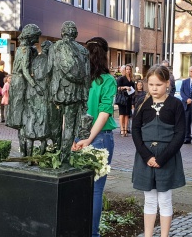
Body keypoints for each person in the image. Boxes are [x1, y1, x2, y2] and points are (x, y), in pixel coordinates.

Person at [132, 64, 186, 237]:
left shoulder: (175, 104)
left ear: (167, 84)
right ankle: (148, 235)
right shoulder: (142, 102)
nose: (154, 88)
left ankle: (164, 235)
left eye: (159, 85)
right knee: (149, 200)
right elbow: (135, 130)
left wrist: (162, 158)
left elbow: (180, 133)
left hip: (167, 156)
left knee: (164, 199)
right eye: (151, 84)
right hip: (145, 155)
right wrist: (146, 155)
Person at [71, 37, 117, 237]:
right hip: (100, 137)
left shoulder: (77, 79)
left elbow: (68, 111)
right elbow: (104, 112)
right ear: (105, 55)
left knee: (77, 188)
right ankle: (92, 234)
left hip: (75, 137)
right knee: (96, 191)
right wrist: (89, 139)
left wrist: (74, 138)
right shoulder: (107, 80)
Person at [48, 21, 91, 162]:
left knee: (55, 123)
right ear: (76, 34)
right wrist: (85, 96)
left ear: (62, 33)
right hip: (75, 92)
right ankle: (64, 157)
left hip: (57, 91)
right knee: (70, 126)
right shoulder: (83, 50)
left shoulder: (55, 47)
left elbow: (49, 70)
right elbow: (87, 76)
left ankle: (55, 152)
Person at [7, 23, 43, 156]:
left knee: (21, 118)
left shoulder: (22, 48)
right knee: (22, 117)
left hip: (18, 81)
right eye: (36, 37)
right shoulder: (26, 50)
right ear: (30, 36)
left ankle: (24, 151)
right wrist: (35, 86)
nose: (38, 40)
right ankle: (24, 152)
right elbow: (26, 71)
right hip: (21, 82)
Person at [180, 66, 192, 145]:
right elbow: (181, 91)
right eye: (191, 71)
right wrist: (186, 99)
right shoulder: (185, 81)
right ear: (189, 72)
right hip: (186, 105)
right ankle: (187, 138)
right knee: (186, 122)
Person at [117, 64, 135, 137]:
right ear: (125, 70)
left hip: (129, 98)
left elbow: (134, 89)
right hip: (122, 98)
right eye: (127, 69)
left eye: (129, 69)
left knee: (127, 114)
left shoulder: (132, 80)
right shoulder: (122, 78)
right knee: (122, 114)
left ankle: (126, 129)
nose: (128, 71)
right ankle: (121, 129)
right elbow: (118, 88)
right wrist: (125, 87)